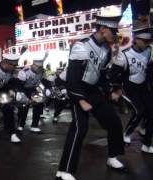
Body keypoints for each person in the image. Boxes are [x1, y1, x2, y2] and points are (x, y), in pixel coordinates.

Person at [55, 15, 126, 180]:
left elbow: (101, 75)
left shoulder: (106, 50)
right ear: (103, 29)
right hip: (77, 89)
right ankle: (64, 170)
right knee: (80, 128)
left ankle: (113, 157)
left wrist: (110, 91)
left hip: (93, 91)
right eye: (113, 31)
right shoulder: (81, 46)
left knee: (114, 122)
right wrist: (80, 99)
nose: (115, 34)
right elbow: (72, 78)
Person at [109, 25, 153, 152]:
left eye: (148, 41)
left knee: (151, 113)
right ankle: (127, 133)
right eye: (144, 41)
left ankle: (147, 144)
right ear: (136, 39)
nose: (147, 44)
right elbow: (113, 74)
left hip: (143, 86)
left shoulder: (149, 51)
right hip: (129, 87)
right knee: (139, 111)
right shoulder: (124, 55)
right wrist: (116, 89)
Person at [16, 52, 48, 132]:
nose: (39, 69)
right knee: (24, 107)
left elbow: (44, 81)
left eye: (41, 67)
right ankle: (20, 124)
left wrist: (47, 88)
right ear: (33, 65)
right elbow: (19, 85)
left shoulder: (42, 71)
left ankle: (34, 125)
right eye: (38, 67)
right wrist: (21, 93)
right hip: (24, 89)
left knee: (38, 104)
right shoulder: (24, 72)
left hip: (34, 89)